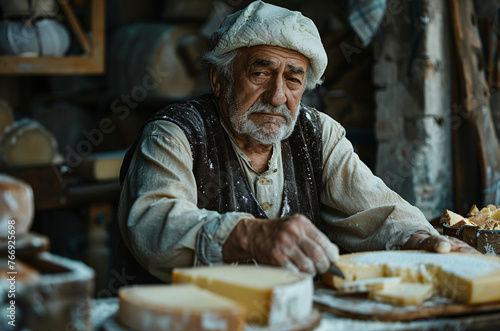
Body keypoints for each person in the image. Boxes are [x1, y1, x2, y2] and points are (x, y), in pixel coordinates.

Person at [115, 0, 476, 285]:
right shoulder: (174, 133)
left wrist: (422, 241)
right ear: (219, 79)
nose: (276, 96)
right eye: (260, 73)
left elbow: (378, 211)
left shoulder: (318, 133)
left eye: (293, 80)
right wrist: (252, 236)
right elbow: (152, 226)